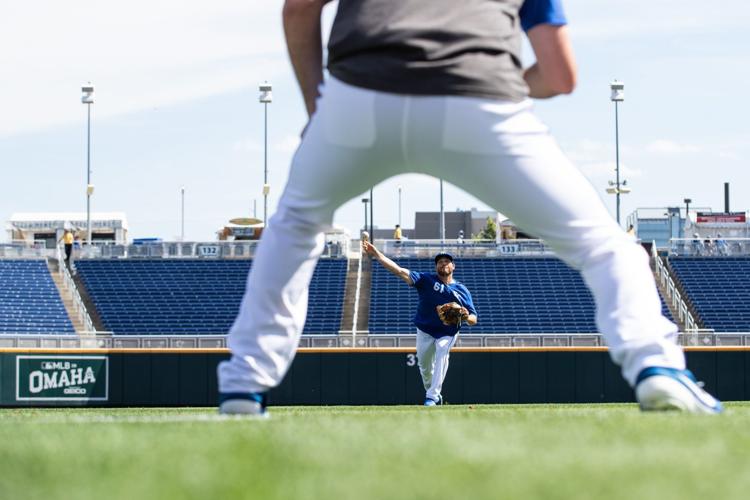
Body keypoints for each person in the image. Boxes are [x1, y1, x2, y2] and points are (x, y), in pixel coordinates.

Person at [217, 0, 722, 415]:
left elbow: (299, 8)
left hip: (360, 96)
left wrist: (316, 110)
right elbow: (561, 74)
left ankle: (244, 385)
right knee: (605, 246)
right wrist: (479, 90)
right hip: (481, 98)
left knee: (294, 227)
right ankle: (657, 368)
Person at [363, 244, 477, 405]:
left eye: (447, 261)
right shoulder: (426, 280)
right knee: (424, 367)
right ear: (436, 266)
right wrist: (376, 254)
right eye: (440, 262)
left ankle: (431, 397)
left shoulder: (461, 290)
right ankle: (433, 392)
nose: (443, 263)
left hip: (447, 332)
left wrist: (465, 317)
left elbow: (474, 318)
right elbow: (399, 270)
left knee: (442, 353)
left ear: (453, 266)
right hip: (425, 330)